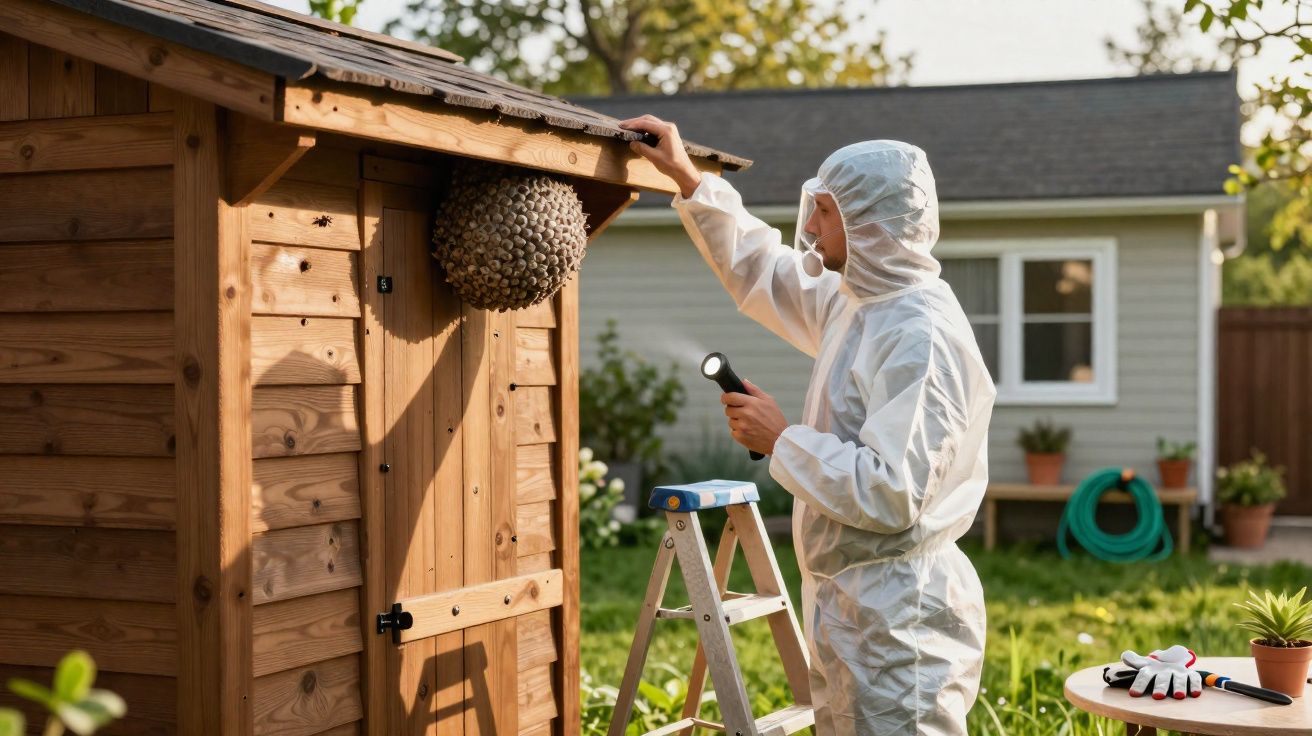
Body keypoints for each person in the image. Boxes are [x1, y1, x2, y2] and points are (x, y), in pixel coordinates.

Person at [619, 114, 996, 736]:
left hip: (899, 619)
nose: (811, 227)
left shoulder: (920, 335)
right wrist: (689, 179)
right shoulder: (861, 303)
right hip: (851, 606)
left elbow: (893, 491)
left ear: (872, 224)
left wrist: (781, 439)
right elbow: (765, 271)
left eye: (825, 211)